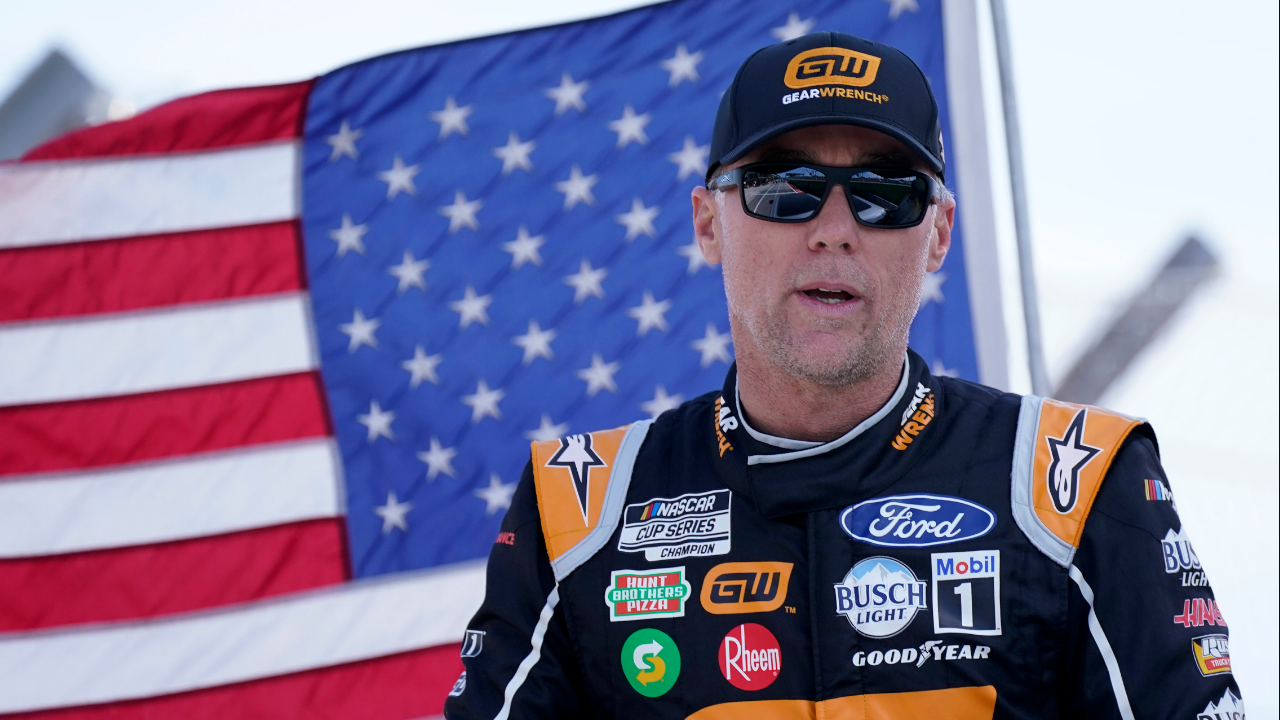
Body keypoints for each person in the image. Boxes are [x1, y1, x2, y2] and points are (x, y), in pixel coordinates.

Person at [444, 31, 1243, 719]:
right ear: (707, 223)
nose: (833, 231)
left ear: (938, 235)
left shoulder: (1076, 480)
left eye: (885, 195)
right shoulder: (580, 505)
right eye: (785, 190)